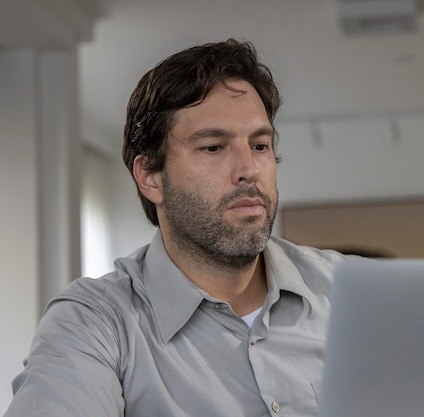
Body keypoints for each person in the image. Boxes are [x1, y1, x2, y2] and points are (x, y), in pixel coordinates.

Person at [5, 39, 353, 417]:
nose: (249, 170)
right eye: (213, 147)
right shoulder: (96, 324)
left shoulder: (351, 290)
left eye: (260, 145)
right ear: (151, 177)